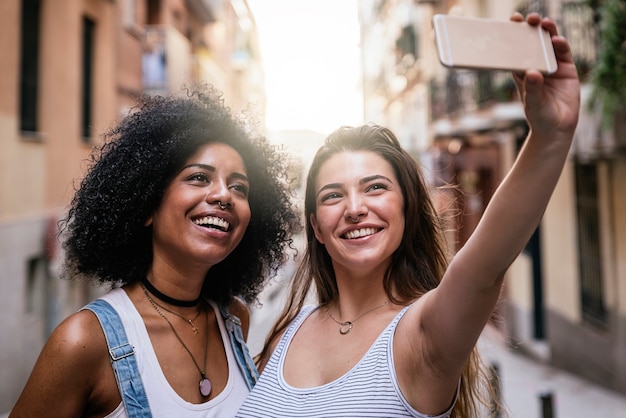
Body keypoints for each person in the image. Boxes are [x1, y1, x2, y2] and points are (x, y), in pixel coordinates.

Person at [237, 12, 580, 418]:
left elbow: (484, 268)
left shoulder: (423, 334)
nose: (355, 207)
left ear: (405, 208)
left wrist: (550, 137)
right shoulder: (282, 336)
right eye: (333, 196)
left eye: (375, 187)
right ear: (316, 226)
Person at [9, 85, 300, 418]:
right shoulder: (84, 341)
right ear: (146, 206)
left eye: (239, 187)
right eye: (199, 177)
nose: (224, 195)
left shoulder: (234, 320)